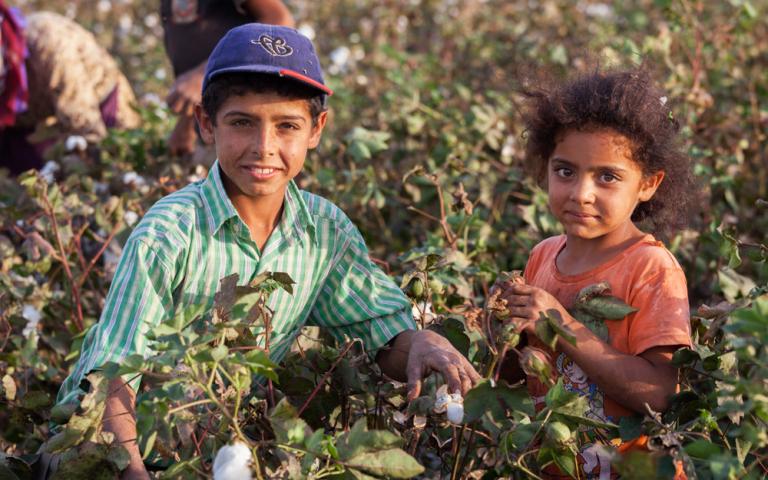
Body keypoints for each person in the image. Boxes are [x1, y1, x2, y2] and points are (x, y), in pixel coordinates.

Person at [54, 23, 480, 479]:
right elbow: (112, 376)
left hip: (212, 455)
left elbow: (381, 334)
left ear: (316, 129)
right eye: (242, 123)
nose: (264, 148)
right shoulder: (169, 233)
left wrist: (421, 342)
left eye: (287, 126)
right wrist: (133, 472)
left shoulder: (324, 232)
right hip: (102, 452)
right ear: (205, 123)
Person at [498, 68, 694, 479]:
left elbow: (659, 394)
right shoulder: (543, 256)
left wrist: (560, 323)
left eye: (607, 177)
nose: (581, 194)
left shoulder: (651, 268)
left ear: (649, 184)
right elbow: (523, 377)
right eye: (565, 171)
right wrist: (504, 331)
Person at [0, 8, 140, 174]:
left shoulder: (50, 44)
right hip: (33, 122)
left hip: (101, 108)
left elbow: (86, 130)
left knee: (114, 166)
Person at [161, 0, 294, 157]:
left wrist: (203, 75)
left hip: (250, 120)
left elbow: (279, 22)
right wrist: (187, 122)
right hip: (216, 123)